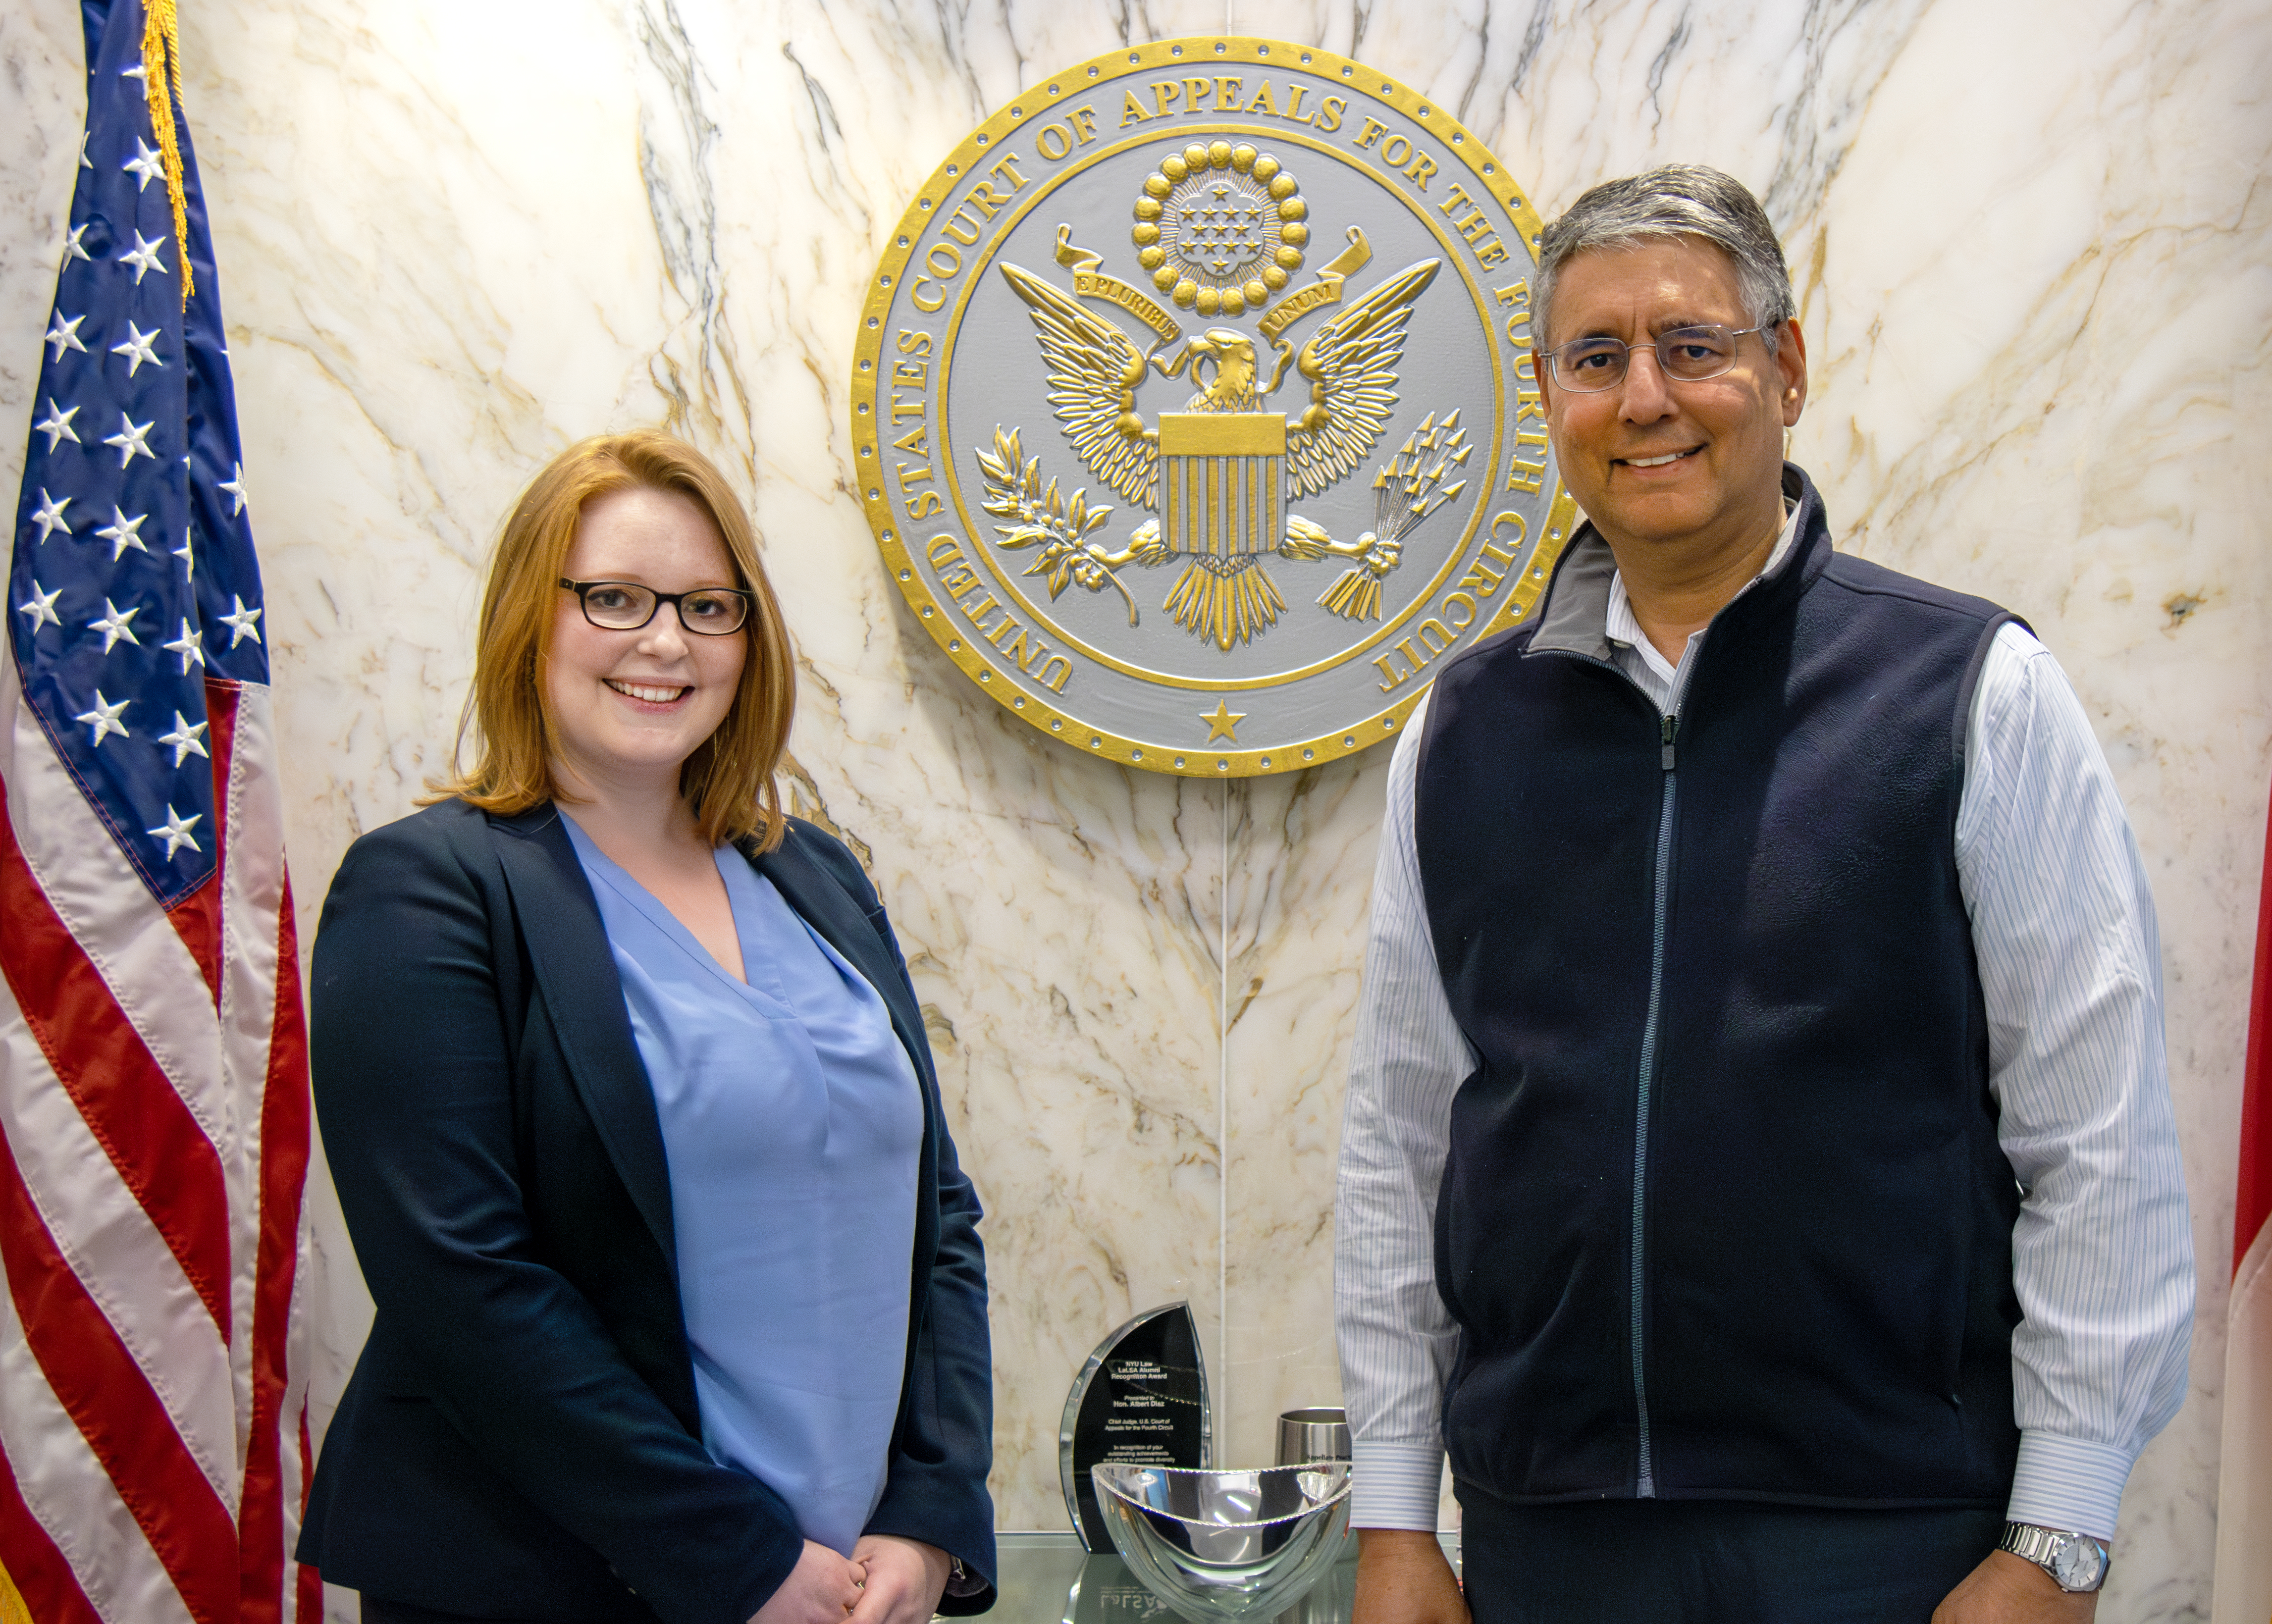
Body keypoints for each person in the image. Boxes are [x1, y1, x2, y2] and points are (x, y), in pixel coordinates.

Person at [1333, 166, 2193, 1624]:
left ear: (1783, 368)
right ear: (1548, 393)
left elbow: (2094, 1130)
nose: (1643, 398)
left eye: (1692, 346)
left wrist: (2057, 1537)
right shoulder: (1462, 731)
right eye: (1594, 360)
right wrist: (1393, 1515)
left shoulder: (1968, 689)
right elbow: (1397, 1143)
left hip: (1888, 1535)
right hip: (1548, 1533)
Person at [298, 430, 995, 1624]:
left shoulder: (812, 873)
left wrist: (930, 1512)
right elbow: (463, 1277)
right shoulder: (425, 889)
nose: (664, 640)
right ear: (533, 612)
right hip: (552, 1581)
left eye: (706, 605)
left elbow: (936, 1212)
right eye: (613, 597)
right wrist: (737, 1560)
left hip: (848, 1585)